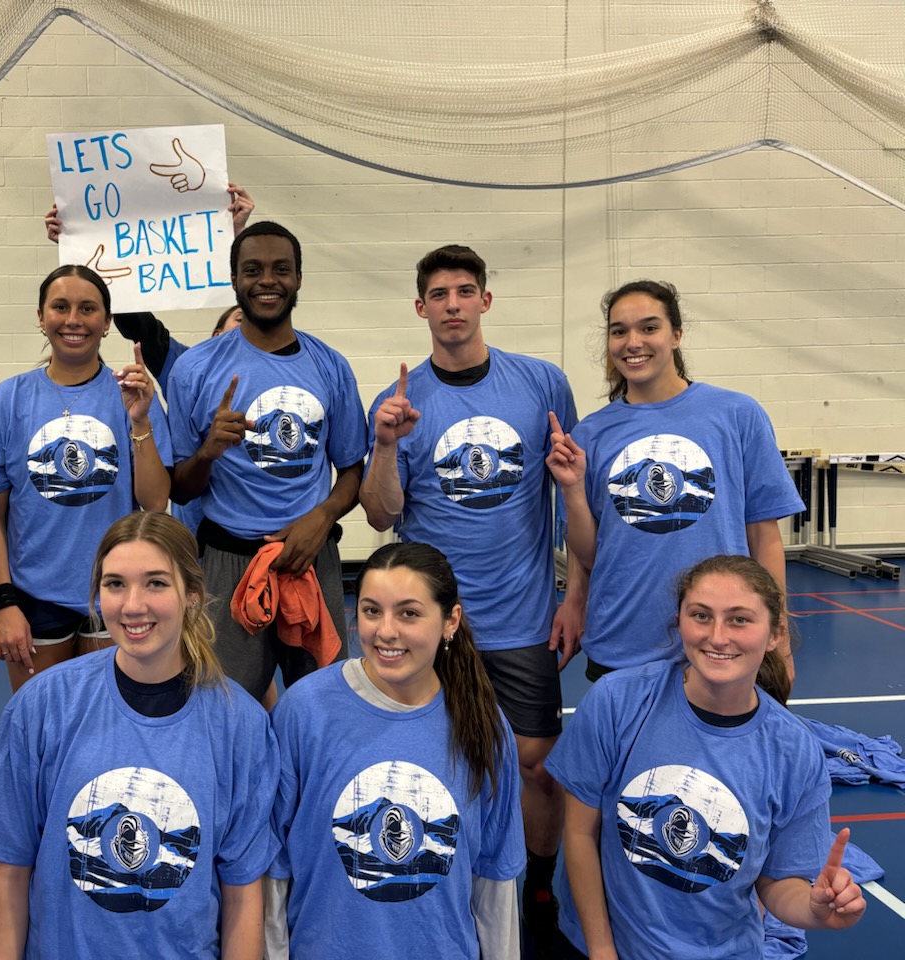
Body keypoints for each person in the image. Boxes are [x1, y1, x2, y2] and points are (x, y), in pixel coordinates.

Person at [359, 244, 578, 955]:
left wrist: (574, 593)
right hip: (434, 625)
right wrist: (386, 445)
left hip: (518, 614)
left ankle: (537, 887)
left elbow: (570, 491)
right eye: (438, 294)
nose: (452, 304)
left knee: (535, 762)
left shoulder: (542, 383)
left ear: (485, 300)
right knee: (440, 760)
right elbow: (380, 514)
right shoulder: (397, 401)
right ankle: (450, 887)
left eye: (464, 291)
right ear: (420, 308)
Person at [0, 512, 279, 959]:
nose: (132, 605)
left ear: (191, 595)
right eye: (115, 584)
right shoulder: (43, 705)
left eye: (155, 583)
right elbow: (10, 870)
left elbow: (242, 894)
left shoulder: (241, 725)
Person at [546, 555, 865, 959]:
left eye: (739, 619)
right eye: (701, 615)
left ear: (774, 634)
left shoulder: (794, 751)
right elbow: (578, 833)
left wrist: (815, 910)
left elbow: (778, 884)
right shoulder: (617, 701)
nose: (717, 637)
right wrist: (603, 950)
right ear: (679, 621)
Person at [268, 542, 524, 960]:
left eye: (409, 613)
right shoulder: (304, 710)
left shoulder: (485, 727)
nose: (386, 631)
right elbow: (273, 867)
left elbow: (494, 881)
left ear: (450, 621)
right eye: (371, 611)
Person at [546, 280, 804, 681]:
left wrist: (779, 632)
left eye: (649, 328)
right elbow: (589, 555)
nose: (633, 342)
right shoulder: (591, 434)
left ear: (676, 335)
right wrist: (572, 489)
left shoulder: (737, 415)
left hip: (719, 643)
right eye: (619, 331)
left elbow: (764, 536)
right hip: (623, 640)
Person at [166, 221, 367, 701]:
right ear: (235, 280)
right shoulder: (195, 368)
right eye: (252, 270)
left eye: (281, 269)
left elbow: (353, 469)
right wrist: (209, 452)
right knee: (223, 708)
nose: (267, 281)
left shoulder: (330, 365)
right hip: (228, 561)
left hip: (311, 558)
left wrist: (324, 516)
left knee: (323, 708)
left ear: (299, 278)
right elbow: (180, 488)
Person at [0, 264, 172, 692]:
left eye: (88, 308)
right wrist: (2, 601)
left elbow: (155, 502)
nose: (73, 319)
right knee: (41, 726)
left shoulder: (134, 391)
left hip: (115, 593)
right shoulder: (10, 398)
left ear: (106, 323)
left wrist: (139, 420)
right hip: (33, 596)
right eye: (60, 307)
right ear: (41, 316)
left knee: (106, 726)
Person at [43, 182, 253, 392]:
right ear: (216, 335)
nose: (250, 326)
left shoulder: (284, 363)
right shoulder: (185, 367)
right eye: (241, 319)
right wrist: (79, 248)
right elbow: (137, 323)